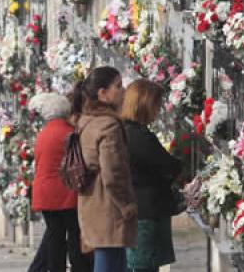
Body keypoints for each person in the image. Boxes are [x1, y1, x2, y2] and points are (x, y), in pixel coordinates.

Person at [75, 67, 136, 272]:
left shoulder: (87, 121)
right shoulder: (108, 125)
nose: (123, 91)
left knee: (111, 257)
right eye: (118, 86)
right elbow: (113, 171)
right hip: (108, 203)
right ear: (102, 93)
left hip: (92, 199)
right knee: (109, 258)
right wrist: (126, 203)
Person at [120, 79, 181, 272]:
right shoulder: (139, 136)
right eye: (156, 105)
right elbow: (169, 166)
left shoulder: (123, 131)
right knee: (143, 265)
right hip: (145, 213)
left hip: (136, 210)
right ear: (145, 105)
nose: (158, 111)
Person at [30, 92, 92, 272]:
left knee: (55, 238)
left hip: (46, 194)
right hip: (67, 192)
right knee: (74, 237)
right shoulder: (70, 133)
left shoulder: (43, 134)